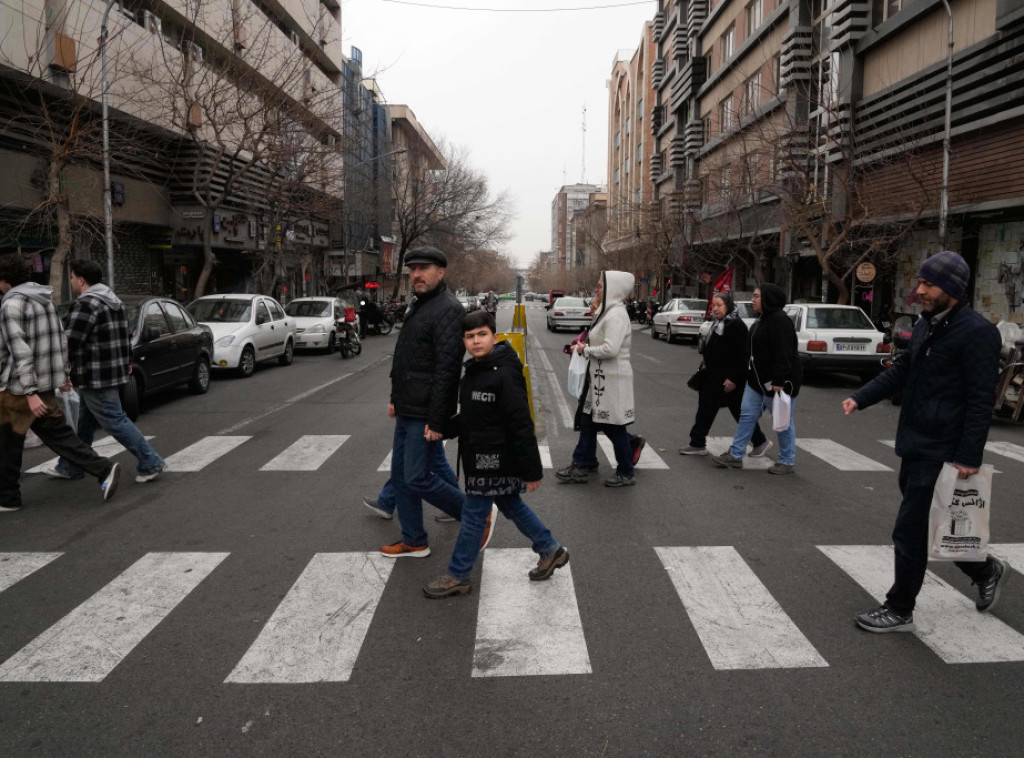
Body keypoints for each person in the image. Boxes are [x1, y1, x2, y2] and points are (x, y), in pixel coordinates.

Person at [842, 251, 1006, 632]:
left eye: (928, 285)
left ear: (951, 287)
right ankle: (986, 571)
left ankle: (899, 608)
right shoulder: (926, 324)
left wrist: (969, 455)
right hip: (915, 440)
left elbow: (981, 400)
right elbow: (903, 370)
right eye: (920, 283)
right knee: (936, 525)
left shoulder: (978, 333)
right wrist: (862, 397)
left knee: (910, 529)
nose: (920, 291)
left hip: (944, 446)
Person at [424, 310, 568, 598]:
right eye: (470, 336)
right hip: (481, 454)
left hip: (494, 457)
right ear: (463, 340)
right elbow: (472, 416)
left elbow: (520, 421)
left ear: (495, 336)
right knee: (510, 505)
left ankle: (458, 574)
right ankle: (550, 549)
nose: (476, 341)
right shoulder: (475, 370)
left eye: (482, 334)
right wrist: (441, 428)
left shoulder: (504, 371)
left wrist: (531, 470)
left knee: (474, 515)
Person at [381, 246, 493, 558]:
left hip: (423, 412)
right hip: (408, 406)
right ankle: (414, 539)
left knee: (416, 478)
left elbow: (447, 369)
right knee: (402, 478)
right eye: (413, 269)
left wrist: (437, 419)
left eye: (423, 268)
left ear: (440, 272)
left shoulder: (448, 308)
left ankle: (476, 514)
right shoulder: (419, 303)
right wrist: (394, 398)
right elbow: (405, 357)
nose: (416, 274)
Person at [0, 254, 120, 512]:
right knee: (59, 436)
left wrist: (30, 392)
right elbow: (60, 340)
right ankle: (103, 469)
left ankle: (8, 497)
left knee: (8, 441)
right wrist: (63, 374)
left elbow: (19, 350)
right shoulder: (44, 300)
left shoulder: (11, 304)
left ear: (4, 280)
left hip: (20, 388)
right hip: (41, 383)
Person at [48, 260, 166, 483]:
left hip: (95, 376)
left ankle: (151, 462)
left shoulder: (87, 304)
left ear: (81, 280)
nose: (71, 281)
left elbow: (69, 342)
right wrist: (126, 362)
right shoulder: (114, 301)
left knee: (115, 421)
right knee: (85, 423)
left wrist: (59, 371)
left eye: (72, 277)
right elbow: (125, 336)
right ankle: (71, 465)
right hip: (109, 372)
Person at [556, 270, 638, 487]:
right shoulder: (607, 311)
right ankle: (583, 463)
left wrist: (586, 350)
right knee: (588, 421)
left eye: (600, 285)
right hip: (600, 379)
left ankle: (626, 471)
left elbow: (611, 349)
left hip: (612, 379)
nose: (597, 289)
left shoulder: (617, 315)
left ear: (613, 289)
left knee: (614, 426)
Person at [711, 283, 801, 475]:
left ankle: (786, 461)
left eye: (757, 296)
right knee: (747, 416)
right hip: (756, 383)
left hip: (777, 384)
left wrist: (779, 380)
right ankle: (736, 455)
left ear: (768, 299)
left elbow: (783, 353)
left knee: (782, 422)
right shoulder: (762, 319)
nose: (753, 299)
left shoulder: (779, 321)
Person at [681, 293, 771, 457]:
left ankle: (760, 441)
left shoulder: (736, 325)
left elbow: (742, 356)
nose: (715, 308)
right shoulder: (720, 323)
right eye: (714, 305)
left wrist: (733, 378)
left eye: (719, 305)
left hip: (728, 380)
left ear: (728, 306)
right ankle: (697, 443)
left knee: (737, 412)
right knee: (706, 410)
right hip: (713, 379)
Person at [363, 443, 459, 523]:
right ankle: (387, 500)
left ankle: (459, 506)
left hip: (423, 423)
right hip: (424, 423)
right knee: (433, 460)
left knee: (414, 460)